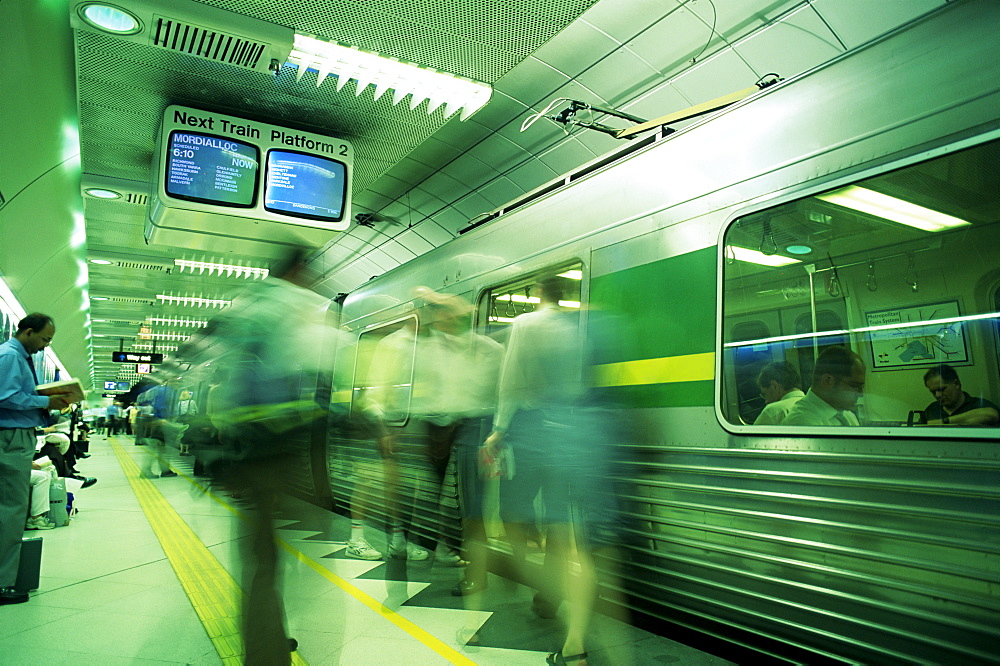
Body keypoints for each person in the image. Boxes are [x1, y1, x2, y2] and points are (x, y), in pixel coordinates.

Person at [0, 313, 72, 605]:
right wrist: (45, 401)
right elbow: (5, 396)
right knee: (12, 510)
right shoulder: (10, 356)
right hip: (11, 437)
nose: (45, 345)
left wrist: (50, 409)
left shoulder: (18, 357)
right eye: (44, 339)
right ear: (27, 332)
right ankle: (3, 584)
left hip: (16, 434)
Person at [782, 346, 866, 426]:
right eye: (854, 386)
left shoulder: (847, 415)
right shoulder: (802, 423)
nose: (860, 393)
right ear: (827, 381)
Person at [921, 365, 999, 426]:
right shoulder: (932, 409)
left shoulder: (977, 404)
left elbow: (991, 414)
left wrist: (943, 422)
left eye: (941, 389)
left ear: (956, 384)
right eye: (933, 392)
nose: (937, 395)